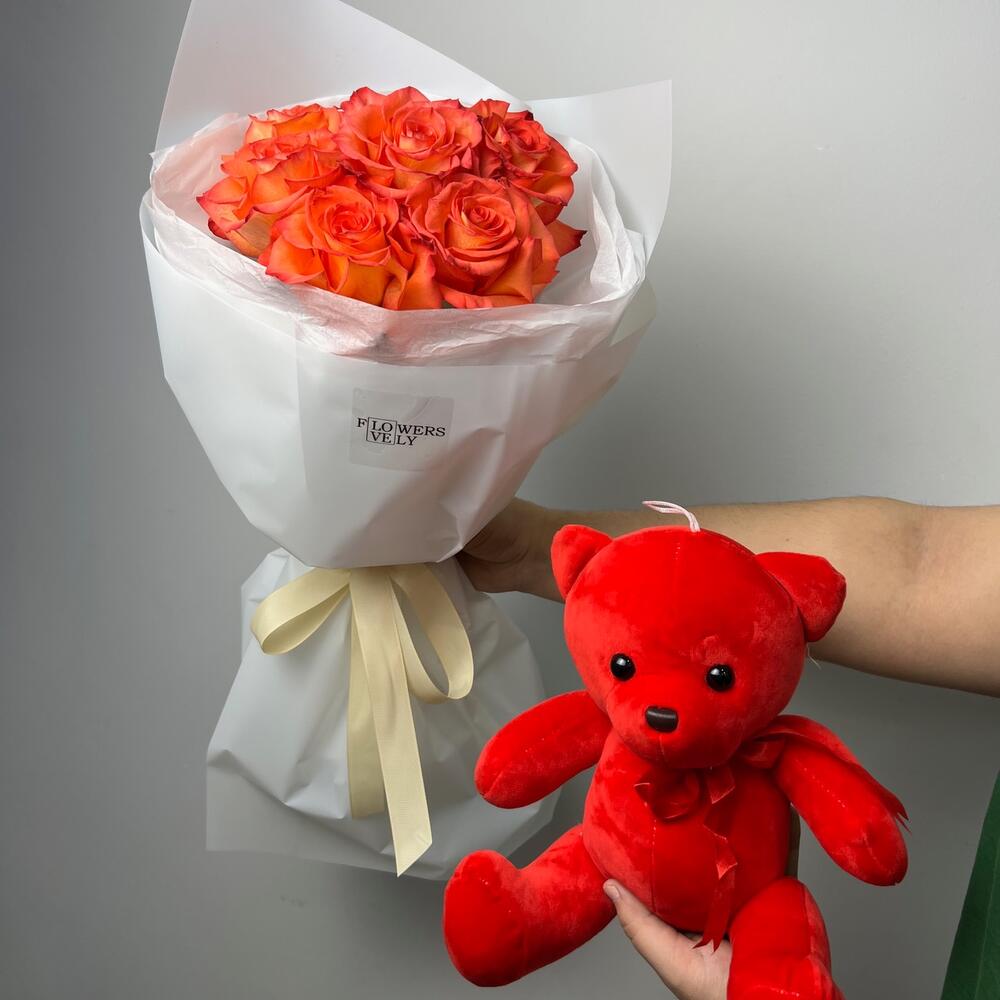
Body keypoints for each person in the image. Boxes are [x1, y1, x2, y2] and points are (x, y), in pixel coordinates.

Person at [459, 497, 1000, 1000]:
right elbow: (923, 562)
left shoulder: (776, 747)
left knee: (779, 922)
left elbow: (867, 841)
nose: (664, 708)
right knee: (564, 878)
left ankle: (778, 974)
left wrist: (864, 835)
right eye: (624, 668)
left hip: (749, 891)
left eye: (717, 677)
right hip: (606, 854)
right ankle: (516, 923)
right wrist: (529, 548)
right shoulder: (604, 715)